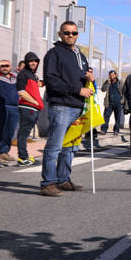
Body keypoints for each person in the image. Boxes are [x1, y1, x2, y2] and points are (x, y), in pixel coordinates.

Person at [40, 21, 93, 196]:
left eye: (74, 33)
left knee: (70, 147)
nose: (71, 36)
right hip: (62, 106)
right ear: (60, 34)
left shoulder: (81, 55)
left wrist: (90, 79)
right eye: (67, 33)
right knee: (54, 146)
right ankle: (48, 183)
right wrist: (78, 89)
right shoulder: (53, 54)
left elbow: (83, 80)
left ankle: (63, 180)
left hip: (78, 107)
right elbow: (51, 80)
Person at [15, 52, 42, 165]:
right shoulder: (23, 73)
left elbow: (37, 85)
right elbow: (21, 91)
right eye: (31, 61)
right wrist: (35, 102)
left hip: (32, 109)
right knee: (23, 133)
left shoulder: (31, 74)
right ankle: (23, 157)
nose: (34, 63)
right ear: (26, 62)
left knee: (25, 133)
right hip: (28, 108)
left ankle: (24, 156)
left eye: (36, 61)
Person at [100, 70, 124, 137]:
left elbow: (124, 92)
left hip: (118, 103)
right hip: (109, 102)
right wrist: (107, 83)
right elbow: (103, 89)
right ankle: (104, 130)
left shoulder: (120, 83)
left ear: (115, 75)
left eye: (113, 75)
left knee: (117, 117)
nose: (111, 77)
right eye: (110, 75)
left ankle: (116, 130)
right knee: (106, 116)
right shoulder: (107, 82)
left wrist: (122, 101)